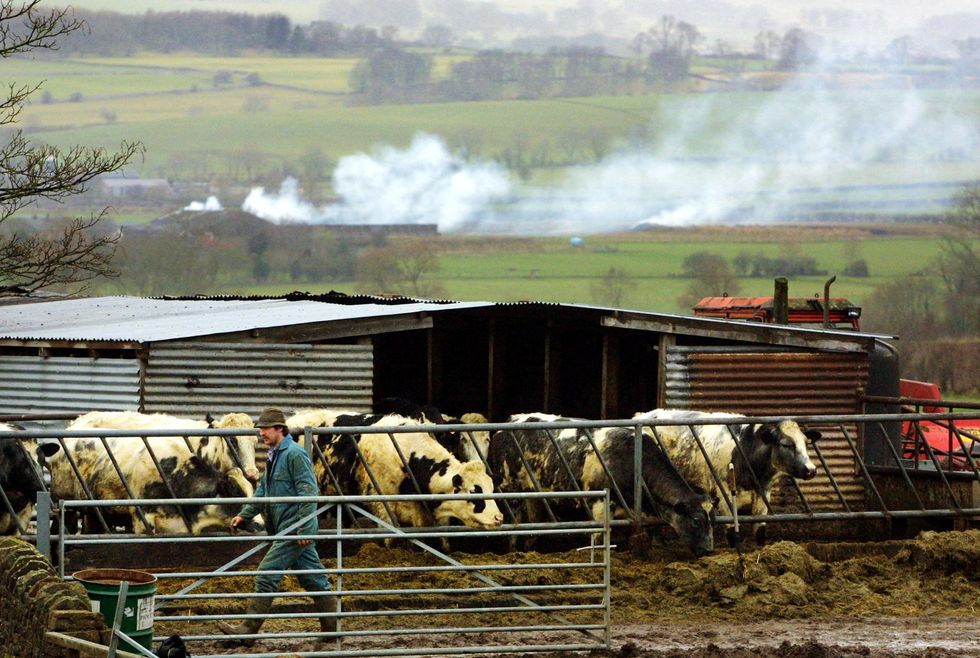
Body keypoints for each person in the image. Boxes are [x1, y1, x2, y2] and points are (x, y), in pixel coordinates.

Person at [217, 407, 335, 646]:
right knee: (313, 578)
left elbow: (308, 492)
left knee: (266, 574)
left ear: (280, 429)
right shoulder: (274, 455)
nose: (262, 433)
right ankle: (333, 627)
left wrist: (304, 529)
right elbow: (263, 492)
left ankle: (248, 629)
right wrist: (245, 515)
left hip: (293, 529)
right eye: (261, 429)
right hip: (283, 528)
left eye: (266, 429)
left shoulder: (294, 454)